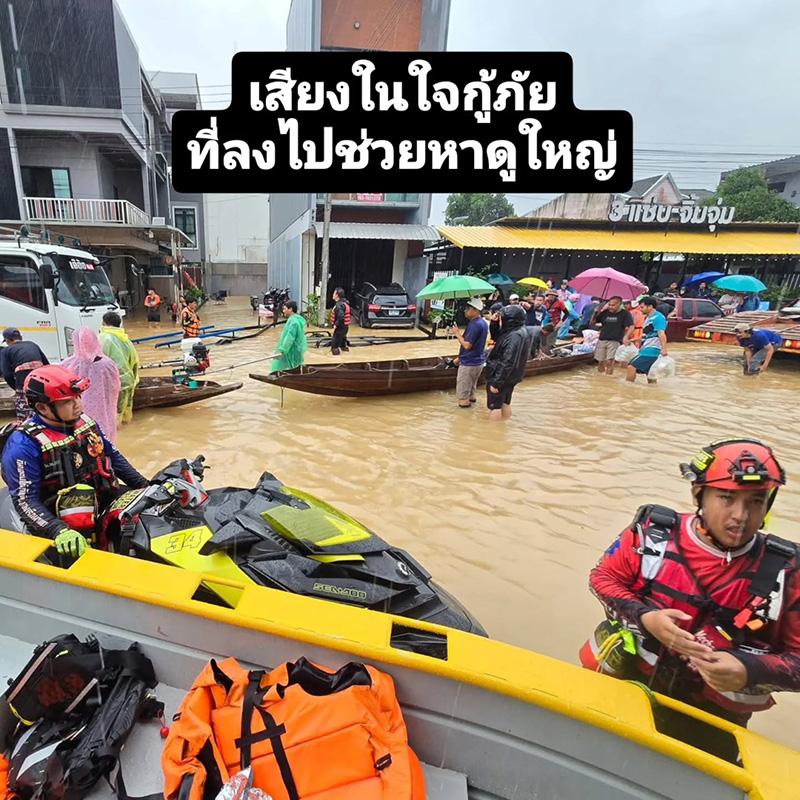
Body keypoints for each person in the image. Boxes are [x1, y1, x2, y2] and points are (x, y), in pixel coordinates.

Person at [581, 439, 800, 761]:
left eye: (755, 501)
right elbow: (603, 579)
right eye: (726, 498)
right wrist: (645, 618)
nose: (740, 516)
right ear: (698, 493)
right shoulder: (651, 534)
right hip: (623, 690)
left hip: (711, 723)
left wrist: (750, 668)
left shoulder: (788, 571)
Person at [0, 365, 149, 558]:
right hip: (60, 519)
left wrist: (145, 486)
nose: (78, 404)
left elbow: (113, 457)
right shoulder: (23, 445)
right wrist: (59, 530)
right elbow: (25, 500)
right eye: (68, 401)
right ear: (43, 407)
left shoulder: (85, 422)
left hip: (102, 499)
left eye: (78, 397)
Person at [61, 327, 121, 444]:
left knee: (84, 445)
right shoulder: (108, 364)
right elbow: (115, 387)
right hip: (105, 411)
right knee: (105, 442)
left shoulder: (68, 364)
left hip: (78, 414)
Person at [484, 305, 529, 421]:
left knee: (495, 406)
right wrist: (494, 323)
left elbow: (507, 360)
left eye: (501, 318)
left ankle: (493, 433)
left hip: (502, 375)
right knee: (505, 402)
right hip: (512, 375)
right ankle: (504, 427)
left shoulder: (513, 336)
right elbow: (497, 337)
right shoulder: (518, 331)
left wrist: (497, 381)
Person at [99, 312, 140, 425]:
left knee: (113, 415)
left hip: (113, 382)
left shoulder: (104, 338)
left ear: (104, 323)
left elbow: (98, 362)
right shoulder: (126, 339)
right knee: (125, 411)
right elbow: (135, 361)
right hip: (128, 380)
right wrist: (134, 380)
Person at [0, 328, 49, 421]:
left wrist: (16, 389)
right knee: (44, 407)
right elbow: (47, 364)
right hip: (40, 381)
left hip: (23, 382)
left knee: (25, 413)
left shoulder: (5, 351)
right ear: (20, 337)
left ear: (7, 340)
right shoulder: (33, 344)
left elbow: (6, 375)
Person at [451, 298, 489, 408]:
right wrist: (459, 358)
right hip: (478, 361)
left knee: (463, 397)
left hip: (469, 364)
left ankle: (463, 420)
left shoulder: (475, 324)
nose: (465, 311)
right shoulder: (482, 322)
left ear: (475, 310)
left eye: (468, 309)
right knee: (471, 393)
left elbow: (467, 345)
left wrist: (457, 334)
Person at [626, 296, 667, 384]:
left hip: (652, 349)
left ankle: (628, 388)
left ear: (650, 306)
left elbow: (661, 333)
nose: (640, 309)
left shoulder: (658, 317)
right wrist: (634, 340)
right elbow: (647, 335)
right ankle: (653, 391)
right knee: (650, 374)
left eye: (642, 307)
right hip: (646, 348)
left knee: (631, 366)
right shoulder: (648, 318)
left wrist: (664, 349)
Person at [592, 296, 634, 375]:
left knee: (610, 361)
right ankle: (600, 378)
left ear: (619, 304)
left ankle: (608, 378)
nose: (611, 307)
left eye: (613, 305)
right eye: (610, 305)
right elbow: (592, 323)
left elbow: (631, 327)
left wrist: (626, 337)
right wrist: (595, 313)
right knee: (600, 361)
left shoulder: (625, 314)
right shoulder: (604, 313)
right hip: (602, 339)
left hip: (615, 340)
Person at [271, 301, 307, 373]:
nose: (283, 311)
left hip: (292, 351)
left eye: (284, 309)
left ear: (290, 309)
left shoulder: (293, 322)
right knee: (295, 368)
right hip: (294, 350)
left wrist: (282, 350)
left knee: (293, 368)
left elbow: (289, 337)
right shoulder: (295, 319)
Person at [329, 287, 351, 356]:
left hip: (339, 329)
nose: (332, 295)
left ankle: (336, 361)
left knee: (334, 346)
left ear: (337, 295)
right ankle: (347, 357)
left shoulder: (339, 305)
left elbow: (340, 318)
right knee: (342, 345)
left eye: (334, 293)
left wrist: (334, 328)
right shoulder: (345, 303)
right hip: (345, 328)